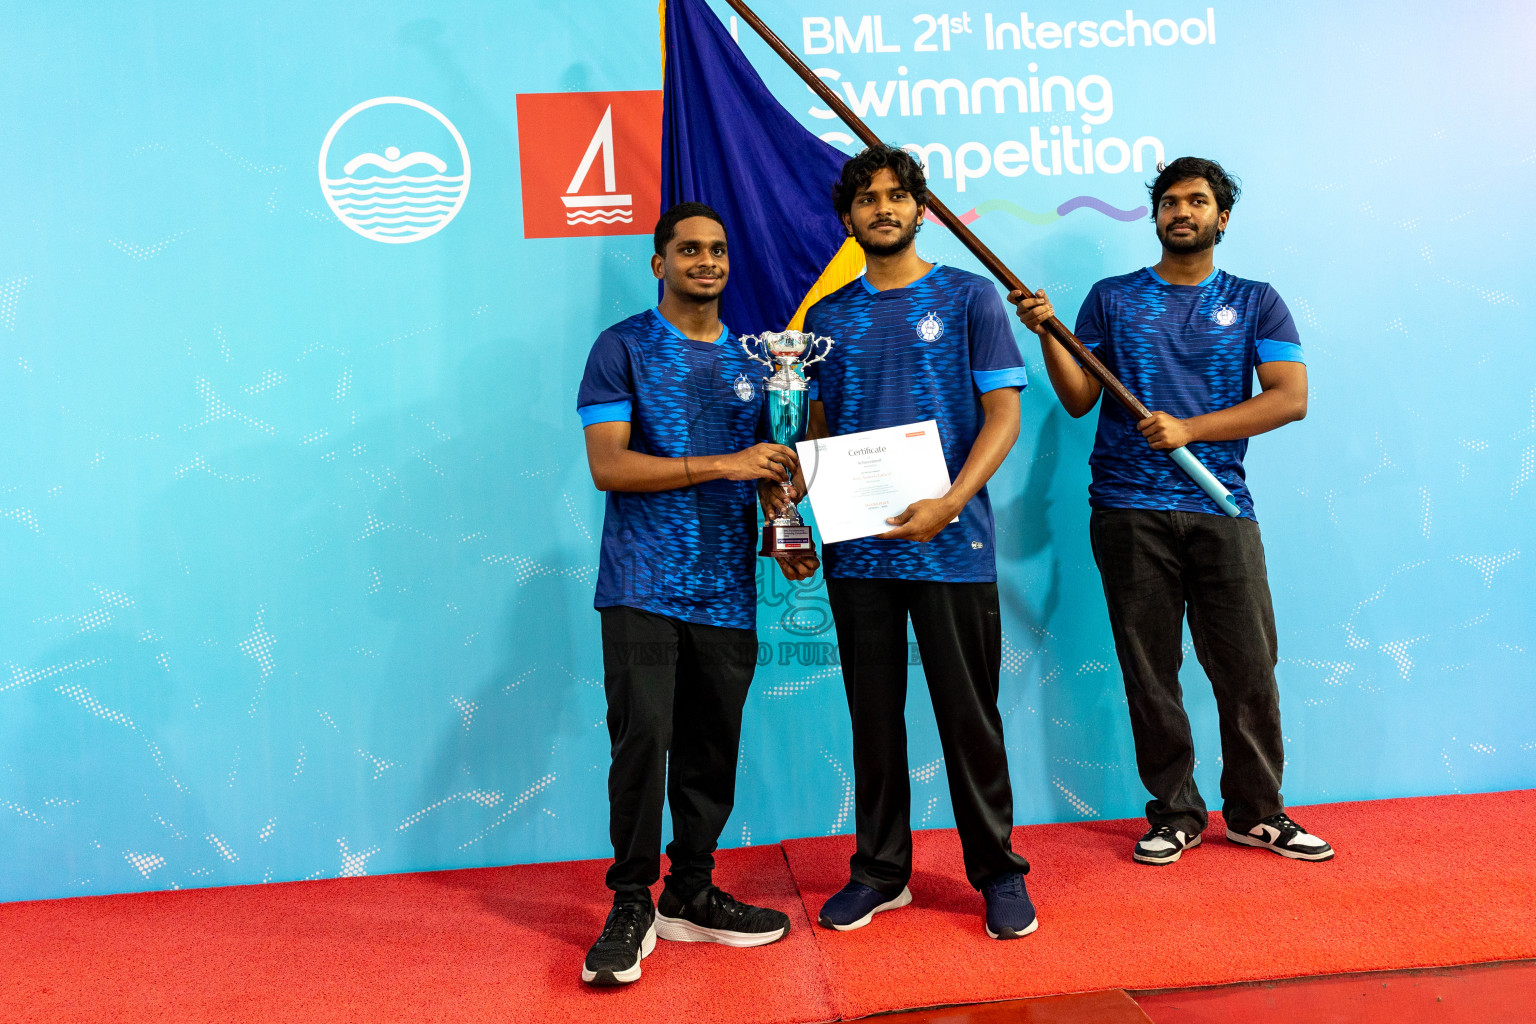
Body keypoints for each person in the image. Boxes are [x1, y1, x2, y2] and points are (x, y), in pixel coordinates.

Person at [1010, 156, 1333, 867]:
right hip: (1127, 509)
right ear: (1154, 216)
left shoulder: (1255, 301)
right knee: (1149, 671)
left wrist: (1192, 428)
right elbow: (1077, 397)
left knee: (1248, 668)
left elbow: (1289, 396)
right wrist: (1047, 332)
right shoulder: (1113, 298)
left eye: (1196, 201)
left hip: (1221, 506)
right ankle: (1177, 813)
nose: (1181, 212)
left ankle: (1257, 812)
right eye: (1168, 201)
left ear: (1222, 217)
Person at [797, 145, 1038, 940]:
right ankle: (879, 872)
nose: (883, 209)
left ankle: (998, 872)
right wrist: (811, 498)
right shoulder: (826, 318)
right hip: (860, 551)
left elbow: (1002, 413)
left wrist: (952, 501)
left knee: (970, 716)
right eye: (867, 199)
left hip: (952, 542)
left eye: (897, 196)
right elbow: (822, 424)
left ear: (921, 209)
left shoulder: (968, 298)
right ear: (849, 218)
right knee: (873, 716)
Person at [575, 202, 816, 986]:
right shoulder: (623, 349)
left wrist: (786, 525)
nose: (706, 261)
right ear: (659, 263)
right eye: (688, 249)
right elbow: (609, 466)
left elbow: (772, 472)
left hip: (726, 593)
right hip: (643, 586)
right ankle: (630, 903)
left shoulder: (762, 365)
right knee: (643, 743)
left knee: (712, 749)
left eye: (717, 249)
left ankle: (692, 893)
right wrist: (725, 463)